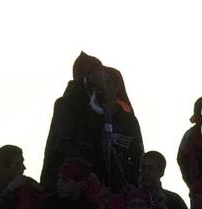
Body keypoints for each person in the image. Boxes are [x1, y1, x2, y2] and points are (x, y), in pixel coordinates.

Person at [42, 55, 143, 191]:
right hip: (66, 186)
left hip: (93, 186)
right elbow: (65, 144)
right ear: (89, 76)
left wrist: (122, 185)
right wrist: (88, 172)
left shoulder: (96, 108)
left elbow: (105, 149)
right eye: (100, 72)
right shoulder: (67, 105)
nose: (104, 77)